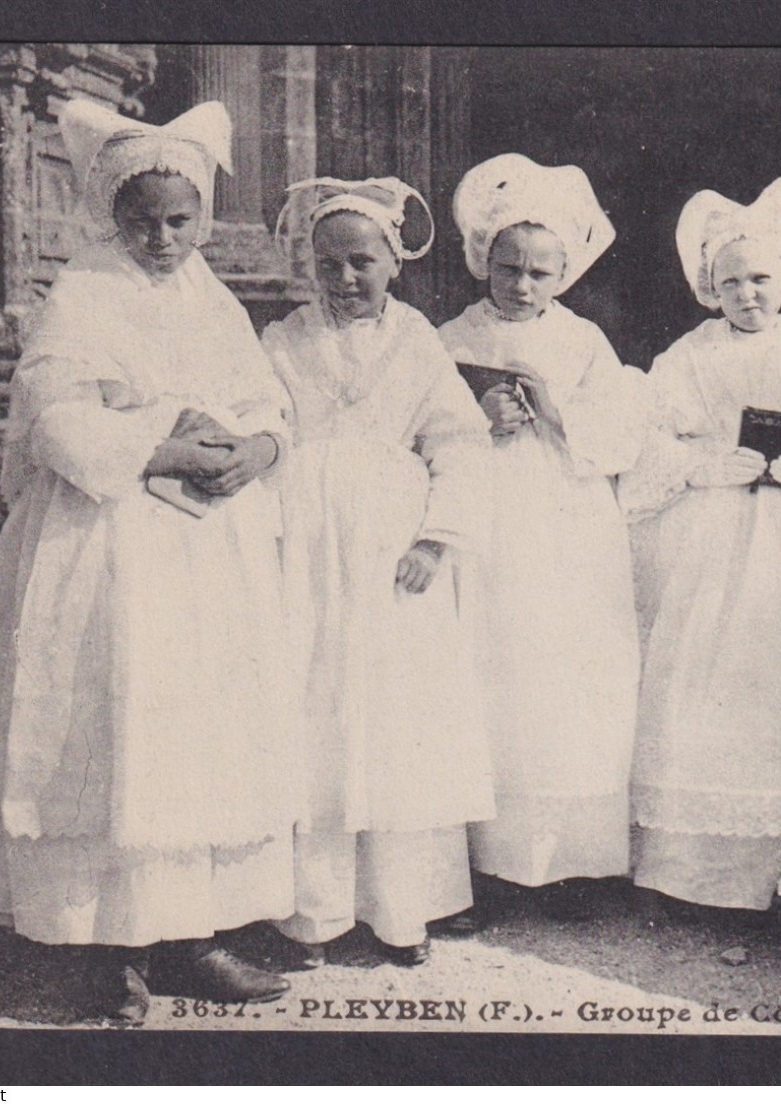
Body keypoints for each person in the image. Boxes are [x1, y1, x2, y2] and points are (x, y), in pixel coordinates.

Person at [0, 99, 298, 1014]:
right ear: (109, 215)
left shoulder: (212, 299)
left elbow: (266, 398)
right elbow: (56, 423)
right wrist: (162, 442)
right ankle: (97, 945)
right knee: (108, 727)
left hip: (204, 550)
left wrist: (257, 450)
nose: (160, 237)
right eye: (141, 221)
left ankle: (191, 933)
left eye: (179, 220)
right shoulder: (84, 295)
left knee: (196, 731)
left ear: (202, 218)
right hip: (105, 545)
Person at [260, 177, 495, 967]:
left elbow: (459, 442)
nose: (345, 280)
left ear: (394, 262)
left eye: (362, 262)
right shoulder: (283, 340)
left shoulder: (418, 342)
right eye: (328, 265)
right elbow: (260, 424)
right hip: (307, 552)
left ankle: (403, 908)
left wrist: (436, 538)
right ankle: (313, 911)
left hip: (393, 555)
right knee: (313, 708)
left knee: (397, 719)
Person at [618, 177, 781, 918]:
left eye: (760, 279)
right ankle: (680, 868)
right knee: (693, 678)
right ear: (707, 289)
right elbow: (648, 437)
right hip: (707, 534)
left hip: (778, 536)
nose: (747, 295)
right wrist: (699, 465)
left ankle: (758, 869)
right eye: (730, 283)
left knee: (768, 682)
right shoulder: (688, 357)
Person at [437, 153, 646, 921]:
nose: (521, 285)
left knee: (567, 683)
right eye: (508, 267)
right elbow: (419, 425)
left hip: (565, 523)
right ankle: (491, 868)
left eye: (539, 272)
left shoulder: (586, 342)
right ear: (483, 260)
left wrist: (559, 413)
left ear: (565, 273)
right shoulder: (447, 336)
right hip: (489, 520)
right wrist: (474, 419)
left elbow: (623, 438)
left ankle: (573, 867)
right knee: (494, 673)